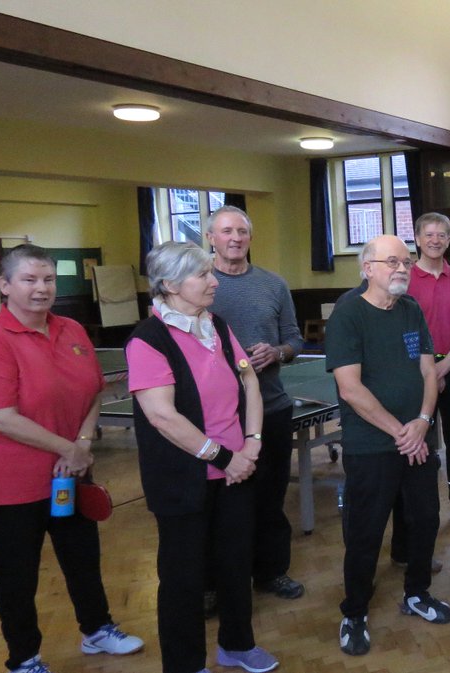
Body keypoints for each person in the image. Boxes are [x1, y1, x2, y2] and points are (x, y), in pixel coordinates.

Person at [0, 244, 144, 673]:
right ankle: (24, 658)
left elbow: (93, 391)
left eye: (47, 279)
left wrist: (81, 443)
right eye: (29, 279)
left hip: (70, 471)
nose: (41, 288)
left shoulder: (72, 330)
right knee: (17, 574)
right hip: (8, 480)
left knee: (82, 556)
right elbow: (2, 418)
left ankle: (96, 629)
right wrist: (69, 448)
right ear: (5, 285)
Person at [128, 241, 278, 673]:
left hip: (236, 471)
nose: (215, 282)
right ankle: (185, 664)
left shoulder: (216, 325)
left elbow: (249, 380)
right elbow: (162, 416)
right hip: (184, 480)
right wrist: (225, 458)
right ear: (171, 284)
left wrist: (252, 442)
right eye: (203, 275)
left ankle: (237, 645)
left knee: (236, 564)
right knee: (183, 577)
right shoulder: (148, 340)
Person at [327, 235, 450, 657]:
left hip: (418, 438)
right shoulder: (348, 314)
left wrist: (422, 422)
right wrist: (403, 432)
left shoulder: (411, 309)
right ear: (368, 268)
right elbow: (350, 388)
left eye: (406, 261)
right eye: (392, 262)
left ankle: (417, 593)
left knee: (425, 519)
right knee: (365, 532)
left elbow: (429, 372)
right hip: (371, 446)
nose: (402, 268)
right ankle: (354, 612)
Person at [206, 205, 307, 602]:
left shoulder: (273, 284)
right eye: (226, 231)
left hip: (271, 408)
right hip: (217, 416)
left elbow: (294, 340)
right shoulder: (196, 283)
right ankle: (217, 583)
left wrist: (277, 352)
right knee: (221, 503)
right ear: (210, 238)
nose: (235, 238)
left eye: (242, 231)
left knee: (270, 497)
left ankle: (271, 571)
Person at [408, 211, 450, 528]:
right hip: (415, 371)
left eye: (441, 235)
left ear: (448, 240)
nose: (435, 240)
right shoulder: (405, 278)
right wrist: (428, 371)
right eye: (429, 234)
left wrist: (445, 365)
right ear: (418, 239)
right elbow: (402, 329)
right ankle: (421, 505)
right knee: (421, 437)